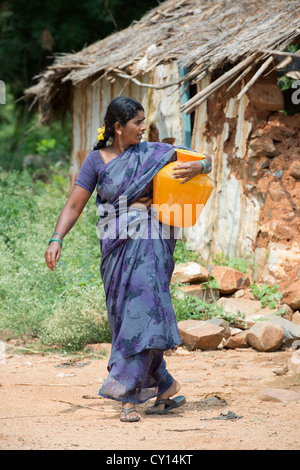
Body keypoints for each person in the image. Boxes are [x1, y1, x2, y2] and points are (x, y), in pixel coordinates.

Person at [45, 96, 212, 422]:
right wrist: (56, 238)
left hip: (151, 249)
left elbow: (202, 158)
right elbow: (74, 205)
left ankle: (127, 397)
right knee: (128, 319)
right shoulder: (96, 161)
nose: (142, 127)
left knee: (142, 317)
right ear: (118, 127)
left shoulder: (152, 152)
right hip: (116, 253)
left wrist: (201, 165)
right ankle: (163, 385)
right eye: (136, 122)